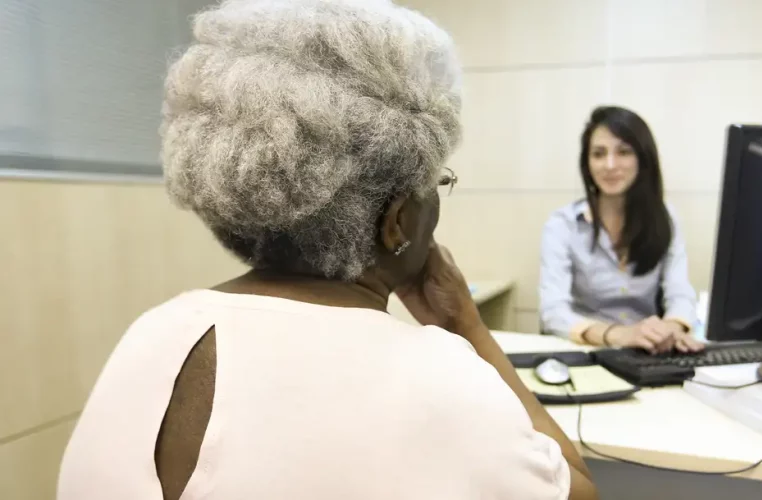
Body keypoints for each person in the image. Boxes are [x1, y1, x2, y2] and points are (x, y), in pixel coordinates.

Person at [57, 1, 597, 499]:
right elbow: (578, 488)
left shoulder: (152, 333)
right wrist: (470, 329)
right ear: (398, 220)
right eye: (439, 182)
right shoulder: (441, 377)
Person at [539, 106, 704, 354]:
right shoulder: (563, 224)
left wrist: (672, 327)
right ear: (587, 162)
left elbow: (680, 292)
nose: (610, 164)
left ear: (642, 158)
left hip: (648, 351)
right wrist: (617, 335)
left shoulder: (665, 218)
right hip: (588, 350)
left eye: (624, 152)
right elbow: (553, 311)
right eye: (598, 154)